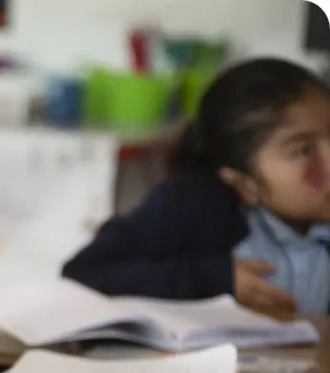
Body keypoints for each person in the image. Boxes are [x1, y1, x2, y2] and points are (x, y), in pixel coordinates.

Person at [63, 58, 330, 316]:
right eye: (304, 150)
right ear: (243, 183)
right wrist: (215, 279)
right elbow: (84, 274)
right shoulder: (192, 205)